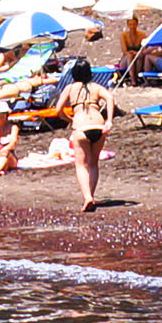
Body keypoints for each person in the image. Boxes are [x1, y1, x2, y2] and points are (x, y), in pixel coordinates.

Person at [64, 60, 113, 211]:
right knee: (93, 163)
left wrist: (70, 119)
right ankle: (91, 195)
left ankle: (87, 197)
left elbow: (59, 109)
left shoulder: (70, 88)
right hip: (98, 125)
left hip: (80, 127)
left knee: (81, 164)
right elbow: (110, 98)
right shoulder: (96, 87)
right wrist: (109, 120)